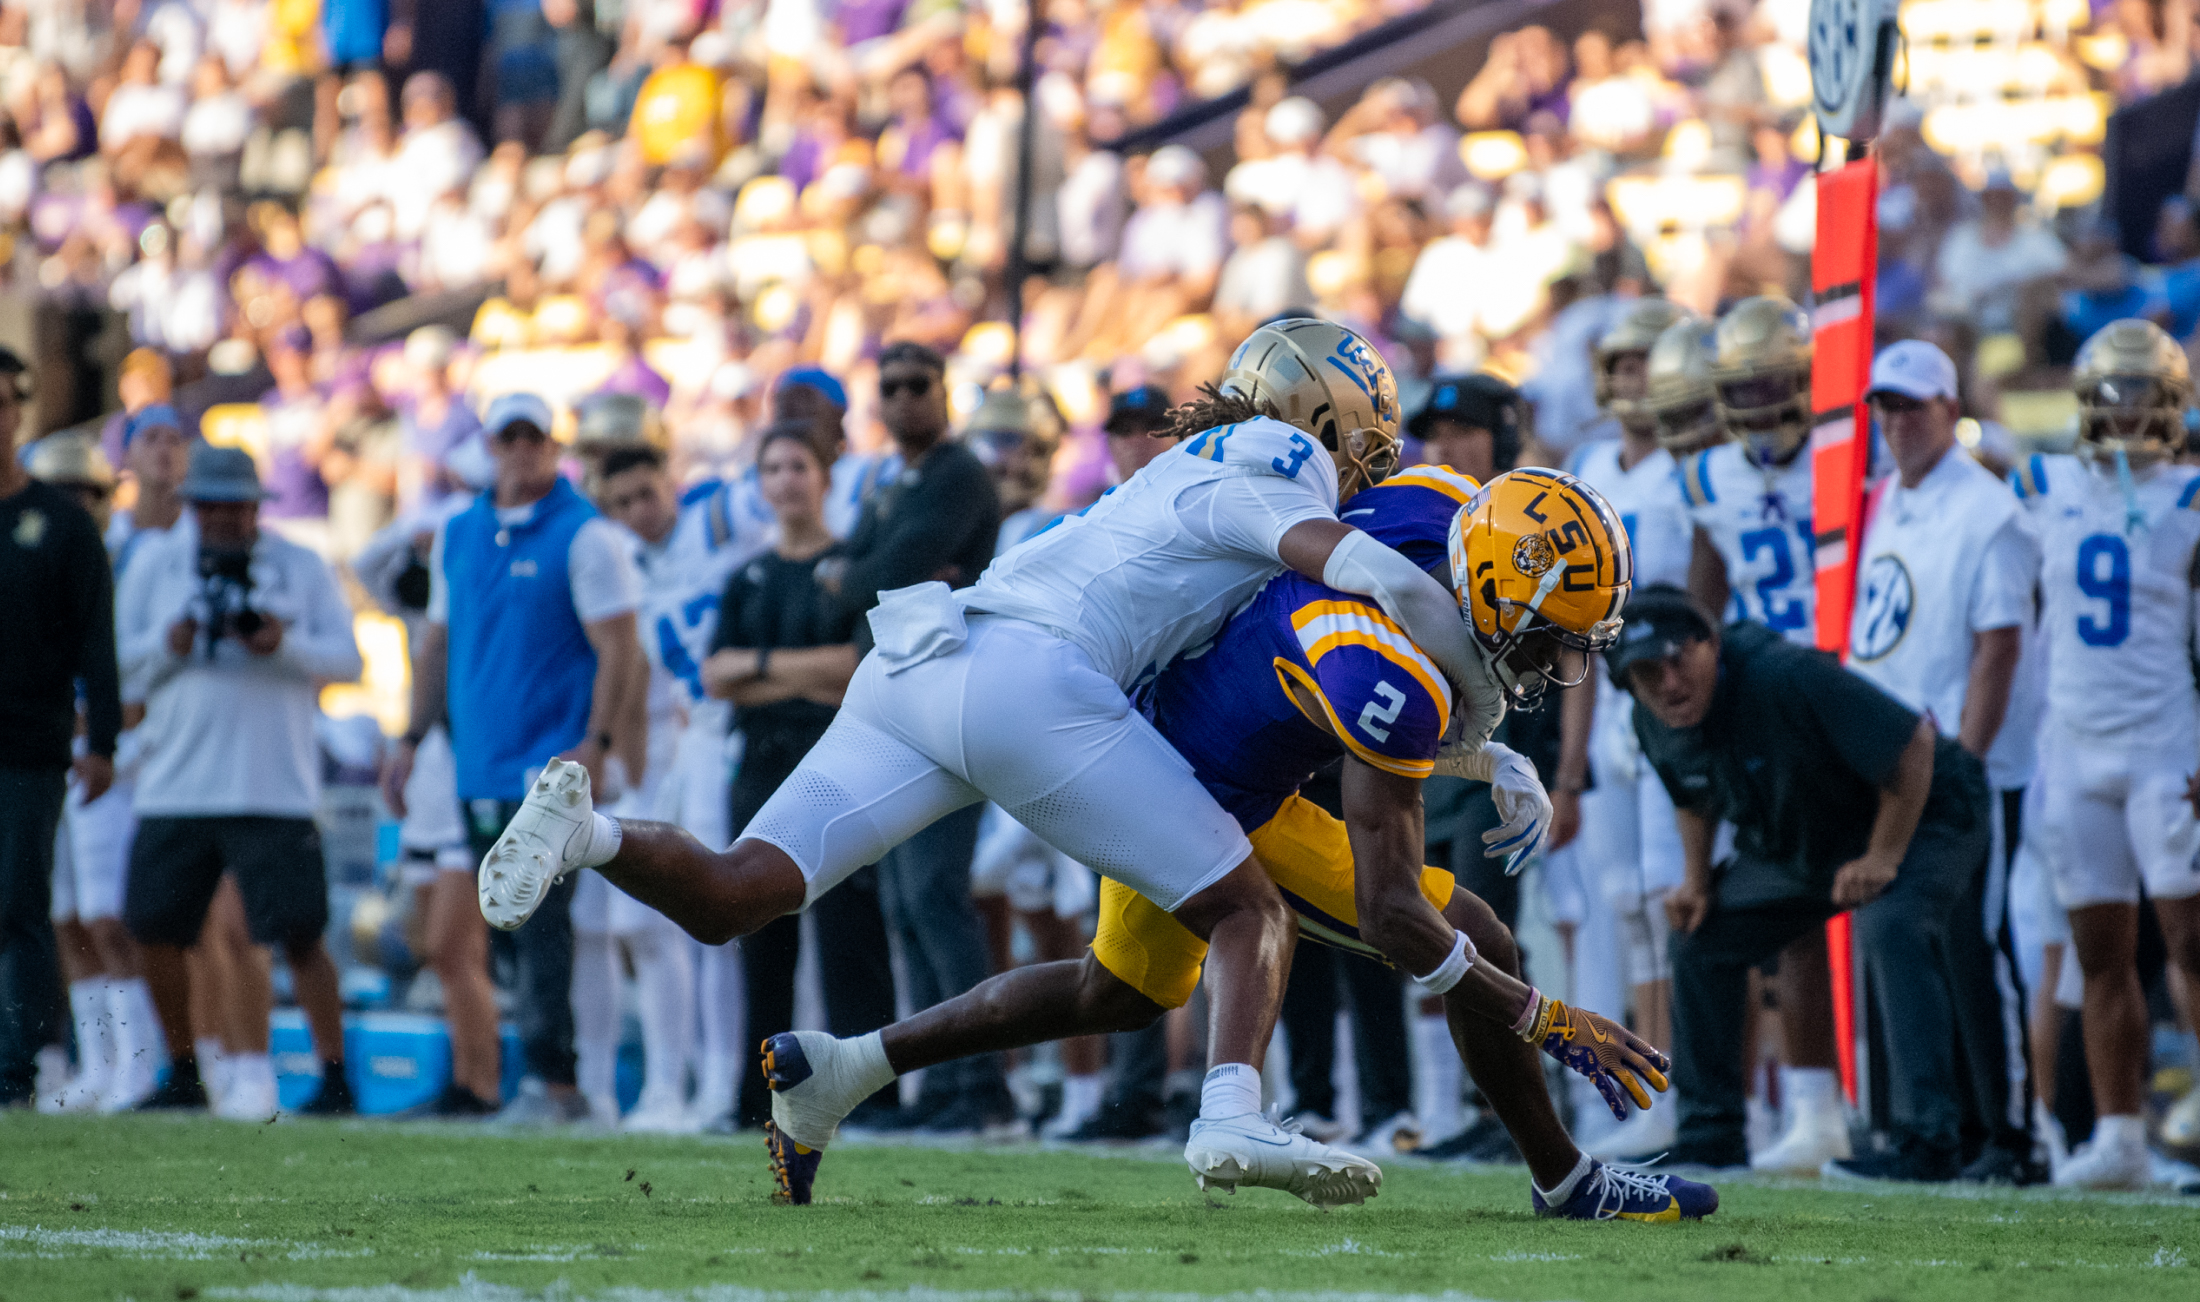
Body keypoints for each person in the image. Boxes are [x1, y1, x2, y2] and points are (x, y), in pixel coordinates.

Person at [475, 319, 1520, 1206]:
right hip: (1036, 682)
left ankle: (591, 835)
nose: (1361, 469)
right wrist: (1481, 715)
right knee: (1250, 914)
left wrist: (1464, 758)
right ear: (1320, 420)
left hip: (922, 659)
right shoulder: (1272, 471)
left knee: (734, 892)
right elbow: (1393, 586)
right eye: (1358, 443)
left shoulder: (1177, 475)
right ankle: (1231, 1116)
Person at [764, 466, 1713, 1220]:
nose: (1560, 664)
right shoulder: (1387, 674)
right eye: (1551, 640)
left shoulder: (1440, 508)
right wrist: (1544, 1019)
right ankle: (1567, 1179)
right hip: (1208, 789)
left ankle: (844, 1068)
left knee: (1120, 991)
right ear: (1500, 596)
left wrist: (1476, 747)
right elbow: (1394, 917)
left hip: (1170, 731)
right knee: (1473, 934)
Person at [1615, 585, 1993, 1179]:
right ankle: (1710, 1132)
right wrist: (1696, 880)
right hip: (1802, 840)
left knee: (1890, 922)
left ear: (1711, 643)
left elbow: (1914, 746)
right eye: (1645, 672)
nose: (1667, 682)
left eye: (1677, 659)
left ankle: (1929, 1141)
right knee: (1698, 937)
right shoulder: (1652, 716)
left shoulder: (1784, 675)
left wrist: (1884, 857)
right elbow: (1691, 793)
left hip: (1922, 813)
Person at [380, 391, 645, 1126]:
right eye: (509, 438)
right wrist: (409, 737)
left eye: (535, 437)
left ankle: (555, 1083)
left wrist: (596, 742)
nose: (522, 449)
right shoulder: (460, 534)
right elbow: (438, 642)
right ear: (490, 447)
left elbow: (620, 647)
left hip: (547, 762)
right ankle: (523, 1079)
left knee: (544, 928)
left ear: (553, 447)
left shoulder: (586, 535)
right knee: (504, 931)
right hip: (479, 760)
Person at [116, 444, 362, 1119]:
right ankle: (184, 1069)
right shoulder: (154, 564)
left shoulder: (300, 564)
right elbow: (118, 666)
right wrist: (168, 645)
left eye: (237, 506)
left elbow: (348, 662)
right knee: (153, 926)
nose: (225, 519)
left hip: (273, 781)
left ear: (259, 507)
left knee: (300, 932)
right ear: (191, 506)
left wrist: (283, 645)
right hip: (177, 779)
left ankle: (336, 1076)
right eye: (212, 505)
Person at [2009, 319, 2200, 1189]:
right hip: (2074, 747)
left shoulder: (2192, 494)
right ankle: (2120, 1136)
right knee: (2099, 956)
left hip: (2169, 743)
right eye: (2111, 395)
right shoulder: (2041, 482)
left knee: (2192, 943)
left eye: (2141, 395)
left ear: (2173, 403)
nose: (2124, 413)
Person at [1848, 339, 2042, 1184]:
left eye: (1911, 406)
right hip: (1894, 761)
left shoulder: (1991, 511)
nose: (1894, 422)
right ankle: (1937, 1128)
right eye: (1884, 408)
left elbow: (1998, 649)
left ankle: (2008, 1133)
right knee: (1914, 941)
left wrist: (1965, 760)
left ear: (1946, 409)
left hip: (1966, 766)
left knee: (1977, 944)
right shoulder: (1883, 500)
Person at [1679, 293, 1845, 1171]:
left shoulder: (1848, 453)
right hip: (1769, 705)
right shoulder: (1709, 476)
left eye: (1773, 383)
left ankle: (1896, 1107)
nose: (1754, 405)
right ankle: (1817, 1106)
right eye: (1739, 388)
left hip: (1849, 693)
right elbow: (1705, 607)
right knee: (1792, 920)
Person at [698, 425, 894, 1130]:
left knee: (850, 939)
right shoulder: (746, 576)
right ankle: (757, 1100)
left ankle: (870, 1100)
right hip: (758, 769)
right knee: (759, 937)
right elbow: (715, 675)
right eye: (772, 466)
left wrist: (761, 666)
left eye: (798, 464)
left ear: (825, 476)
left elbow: (852, 669)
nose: (785, 479)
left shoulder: (853, 566)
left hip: (839, 769)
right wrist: (793, 671)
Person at [1551, 297, 1698, 1158]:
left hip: (1673, 704)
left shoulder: (1696, 470)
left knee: (1672, 904)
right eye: (1627, 363)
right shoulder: (1593, 465)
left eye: (1653, 362)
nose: (1636, 380)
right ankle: (1656, 1094)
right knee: (1630, 907)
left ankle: (1692, 1092)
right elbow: (1575, 630)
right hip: (1611, 714)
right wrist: (1570, 769)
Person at [0, 350, 120, 1110]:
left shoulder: (65, 526)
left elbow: (94, 641)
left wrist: (100, 739)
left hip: (27, 744)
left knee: (18, 905)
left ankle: (27, 1062)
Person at [25, 434, 155, 1114]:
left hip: (117, 758)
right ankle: (99, 1061)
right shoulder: (31, 557)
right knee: (67, 918)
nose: (74, 506)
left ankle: (138, 1062)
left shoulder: (133, 561)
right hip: (51, 752)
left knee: (109, 918)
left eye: (86, 493)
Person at [1102, 384, 1173, 482]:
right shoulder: (1098, 494)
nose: (1137, 440)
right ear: (1110, 444)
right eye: (1124, 431)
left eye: (1151, 427)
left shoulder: (1198, 492)